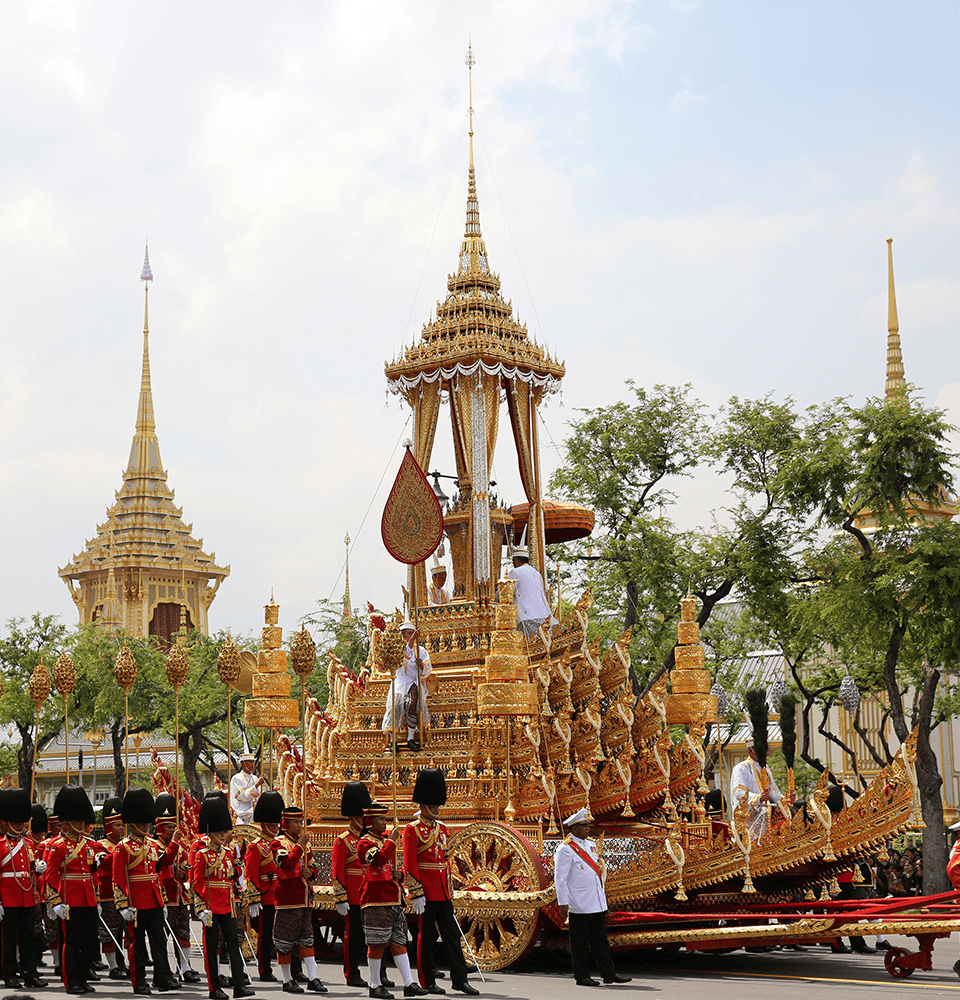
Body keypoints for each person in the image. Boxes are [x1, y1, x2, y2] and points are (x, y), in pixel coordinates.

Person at [404, 769, 478, 996]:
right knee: (425, 940)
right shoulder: (412, 829)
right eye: (433, 804)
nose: (436, 808)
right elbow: (410, 863)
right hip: (425, 893)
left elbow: (443, 861)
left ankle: (459, 979)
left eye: (437, 804)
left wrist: (449, 890)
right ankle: (426, 981)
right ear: (424, 805)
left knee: (452, 936)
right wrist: (416, 893)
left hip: (443, 892)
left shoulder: (442, 828)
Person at [113, 786, 180, 995]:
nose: (145, 825)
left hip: (154, 900)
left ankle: (163, 978)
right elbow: (118, 878)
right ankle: (139, 981)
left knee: (159, 940)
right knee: (137, 945)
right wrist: (123, 904)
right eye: (141, 822)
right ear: (133, 823)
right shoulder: (123, 847)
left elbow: (163, 864)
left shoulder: (152, 845)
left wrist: (175, 844)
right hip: (135, 902)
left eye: (146, 821)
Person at [553, 808, 630, 988]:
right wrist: (563, 902)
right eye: (584, 825)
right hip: (579, 903)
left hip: (596, 901)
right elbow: (560, 879)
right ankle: (582, 976)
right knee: (579, 943)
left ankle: (608, 974)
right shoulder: (565, 849)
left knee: (601, 941)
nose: (588, 828)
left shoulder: (591, 844)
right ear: (574, 828)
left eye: (588, 825)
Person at [356, 801, 426, 1000]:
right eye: (380, 819)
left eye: (385, 818)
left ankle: (409, 983)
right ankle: (375, 984)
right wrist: (392, 841)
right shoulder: (364, 843)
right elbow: (378, 860)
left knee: (399, 941)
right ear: (369, 822)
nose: (384, 822)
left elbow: (389, 866)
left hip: (393, 898)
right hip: (375, 899)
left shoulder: (384, 840)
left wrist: (399, 875)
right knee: (377, 944)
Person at [192, 794, 255, 1000]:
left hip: (227, 905)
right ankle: (214, 988)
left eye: (223, 830)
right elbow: (197, 883)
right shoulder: (202, 855)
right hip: (211, 906)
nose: (222, 833)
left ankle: (238, 985)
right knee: (211, 950)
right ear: (210, 832)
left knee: (234, 948)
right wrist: (201, 908)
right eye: (218, 830)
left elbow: (230, 878)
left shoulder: (228, 853)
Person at [44, 784, 100, 996]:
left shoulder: (89, 845)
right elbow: (51, 875)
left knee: (88, 943)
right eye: (76, 820)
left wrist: (95, 895)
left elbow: (92, 872)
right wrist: (56, 901)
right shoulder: (59, 846)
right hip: (69, 900)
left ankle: (84, 977)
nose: (80, 823)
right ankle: (71, 981)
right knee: (71, 942)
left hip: (88, 900)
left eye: (81, 820)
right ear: (66, 822)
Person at [271, 805, 325, 994]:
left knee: (307, 940)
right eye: (296, 822)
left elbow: (314, 866)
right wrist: (300, 845)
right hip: (287, 900)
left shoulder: (304, 844)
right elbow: (286, 864)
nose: (300, 826)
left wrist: (311, 873)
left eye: (301, 822)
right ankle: (287, 979)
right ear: (285, 824)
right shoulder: (277, 843)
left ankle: (313, 977)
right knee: (285, 942)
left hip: (304, 899)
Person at [0, 788, 46, 990]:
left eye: (21, 822)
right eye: (16, 821)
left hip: (27, 896)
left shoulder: (27, 843)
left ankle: (30, 974)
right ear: (5, 821)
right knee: (8, 940)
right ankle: (9, 974)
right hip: (7, 898)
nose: (20, 825)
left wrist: (38, 868)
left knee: (29, 938)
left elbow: (30, 868)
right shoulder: (1, 844)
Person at [155, 793, 200, 984]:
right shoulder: (155, 846)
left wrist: (183, 873)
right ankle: (165, 971)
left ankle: (184, 967)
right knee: (164, 937)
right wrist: (175, 872)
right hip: (166, 897)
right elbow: (163, 865)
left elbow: (186, 869)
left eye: (174, 826)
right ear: (160, 828)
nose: (173, 830)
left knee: (183, 934)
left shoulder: (179, 847)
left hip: (181, 897)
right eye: (169, 827)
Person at [333, 782, 373, 988]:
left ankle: (378, 974)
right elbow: (338, 873)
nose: (362, 820)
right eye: (359, 816)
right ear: (351, 817)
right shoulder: (343, 841)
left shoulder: (371, 839)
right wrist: (341, 897)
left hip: (370, 895)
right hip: (354, 896)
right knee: (354, 936)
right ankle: (352, 973)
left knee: (375, 937)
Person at [245, 790, 283, 983]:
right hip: (265, 896)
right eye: (272, 824)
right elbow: (251, 875)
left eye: (277, 824)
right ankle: (264, 969)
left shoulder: (280, 844)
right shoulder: (255, 846)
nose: (275, 828)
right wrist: (253, 899)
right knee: (265, 937)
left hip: (281, 895)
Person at [92, 796, 129, 980]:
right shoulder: (100, 845)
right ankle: (113, 966)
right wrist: (120, 850)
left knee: (126, 931)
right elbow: (105, 866)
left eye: (123, 825)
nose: (122, 828)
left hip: (126, 895)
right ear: (108, 827)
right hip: (108, 896)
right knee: (110, 932)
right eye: (117, 825)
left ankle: (124, 963)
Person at [728, 737, 792, 841]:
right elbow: (739, 792)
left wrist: (785, 799)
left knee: (791, 809)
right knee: (765, 811)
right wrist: (758, 798)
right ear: (750, 750)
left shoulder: (765, 768)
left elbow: (774, 792)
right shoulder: (741, 768)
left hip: (767, 808)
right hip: (750, 812)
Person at [381, 623, 432, 753]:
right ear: (402, 635)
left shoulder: (420, 651)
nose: (410, 636)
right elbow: (403, 657)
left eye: (412, 633)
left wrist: (421, 666)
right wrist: (411, 641)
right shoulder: (395, 649)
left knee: (411, 704)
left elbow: (427, 670)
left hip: (412, 682)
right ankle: (394, 740)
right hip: (398, 683)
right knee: (395, 706)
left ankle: (410, 738)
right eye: (408, 633)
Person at [508, 549, 556, 640]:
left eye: (513, 561)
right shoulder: (537, 574)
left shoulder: (515, 572)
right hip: (544, 617)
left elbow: (507, 592)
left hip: (525, 618)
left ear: (516, 560)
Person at [230, 754, 265, 825]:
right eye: (250, 762)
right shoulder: (236, 778)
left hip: (255, 814)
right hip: (241, 815)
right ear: (243, 764)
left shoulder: (255, 778)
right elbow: (243, 797)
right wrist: (257, 785)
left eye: (253, 762)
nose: (253, 764)